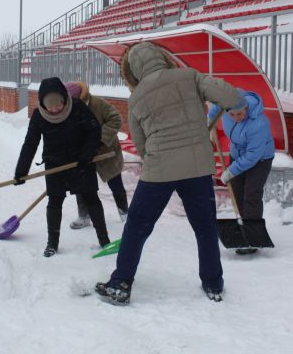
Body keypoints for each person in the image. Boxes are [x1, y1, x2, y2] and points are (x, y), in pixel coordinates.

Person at [95, 41, 245, 305]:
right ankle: (213, 283)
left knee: (137, 227)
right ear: (161, 57)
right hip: (197, 167)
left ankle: (120, 283)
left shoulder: (137, 96)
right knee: (205, 228)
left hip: (159, 170)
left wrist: (157, 155)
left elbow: (141, 144)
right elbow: (234, 99)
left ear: (134, 69)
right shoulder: (189, 76)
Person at [13, 77, 110, 257]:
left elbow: (94, 130)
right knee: (55, 202)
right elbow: (30, 143)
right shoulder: (38, 115)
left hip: (81, 162)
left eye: (58, 106)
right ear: (43, 104)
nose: (55, 110)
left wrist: (87, 154)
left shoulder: (78, 107)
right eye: (50, 107)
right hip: (54, 164)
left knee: (91, 199)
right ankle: (52, 244)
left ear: (65, 100)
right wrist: (21, 171)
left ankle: (104, 241)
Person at [208, 90, 275, 255]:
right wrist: (210, 119)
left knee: (251, 194)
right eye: (232, 114)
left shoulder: (258, 123)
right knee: (237, 193)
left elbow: (253, 155)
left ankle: (252, 237)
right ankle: (242, 227)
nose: (236, 117)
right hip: (237, 154)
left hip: (260, 159)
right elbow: (217, 103)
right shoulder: (227, 103)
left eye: (239, 114)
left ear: (246, 109)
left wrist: (231, 170)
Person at [64, 81, 128, 229]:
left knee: (115, 182)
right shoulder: (68, 109)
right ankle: (84, 216)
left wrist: (98, 140)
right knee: (81, 184)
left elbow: (116, 119)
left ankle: (125, 214)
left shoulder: (98, 103)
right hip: (83, 153)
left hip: (105, 151)